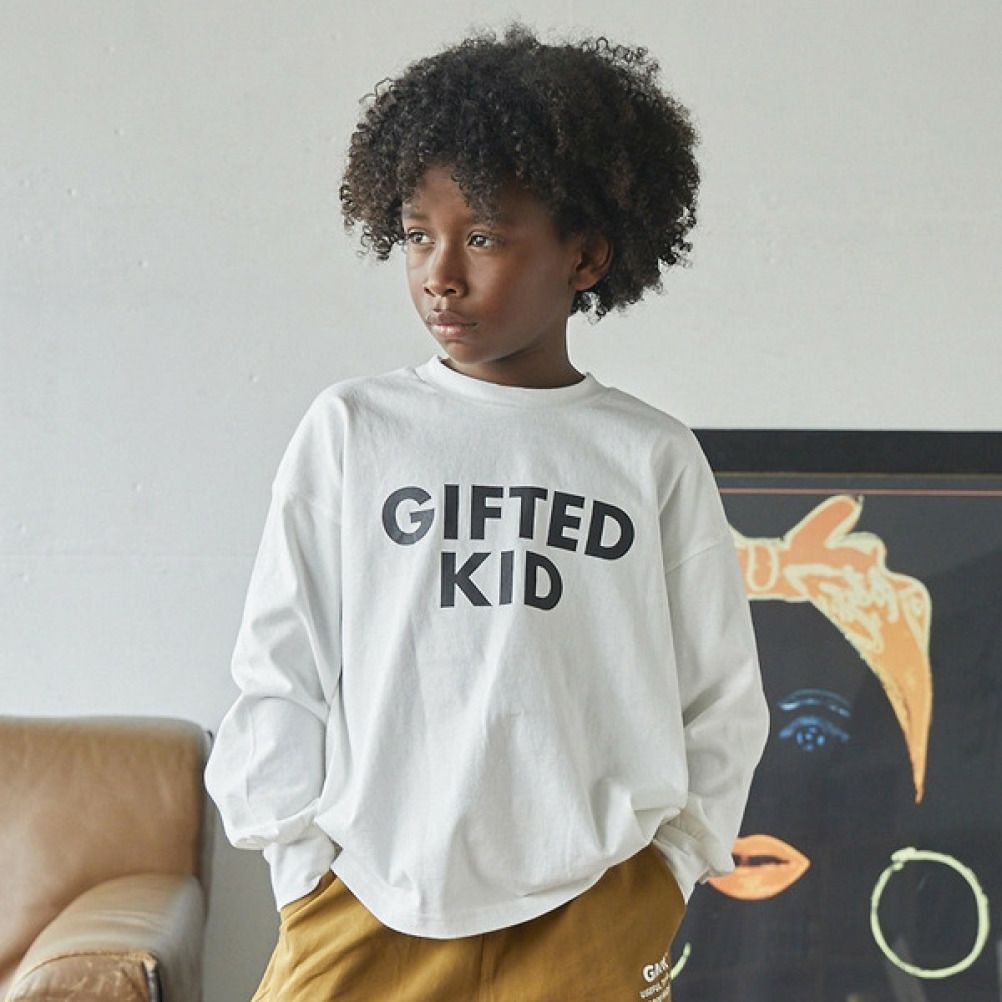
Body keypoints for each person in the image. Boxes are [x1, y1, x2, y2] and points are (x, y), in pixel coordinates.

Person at [204, 19, 771, 1001]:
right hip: (367, 899)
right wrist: (301, 867)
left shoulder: (648, 455)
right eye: (417, 236)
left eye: (482, 237)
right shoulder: (355, 429)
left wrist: (667, 872)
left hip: (594, 910)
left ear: (585, 257)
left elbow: (720, 696)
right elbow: (279, 668)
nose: (440, 273)